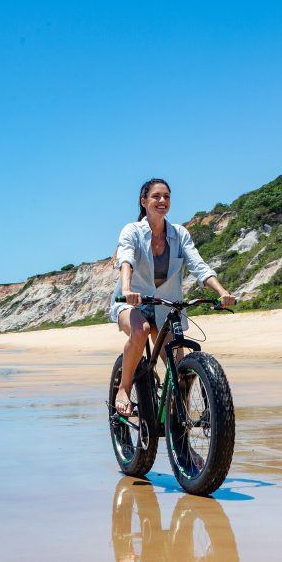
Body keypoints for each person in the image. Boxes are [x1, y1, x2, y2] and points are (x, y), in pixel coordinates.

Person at [110, 178, 236, 417]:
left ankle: (181, 427)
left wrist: (222, 292)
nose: (162, 201)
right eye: (156, 196)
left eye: (166, 197)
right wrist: (127, 290)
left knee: (178, 372)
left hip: (165, 306)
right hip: (132, 302)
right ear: (144, 201)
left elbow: (199, 265)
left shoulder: (179, 234)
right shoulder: (133, 231)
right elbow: (125, 259)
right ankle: (124, 389)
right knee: (141, 330)